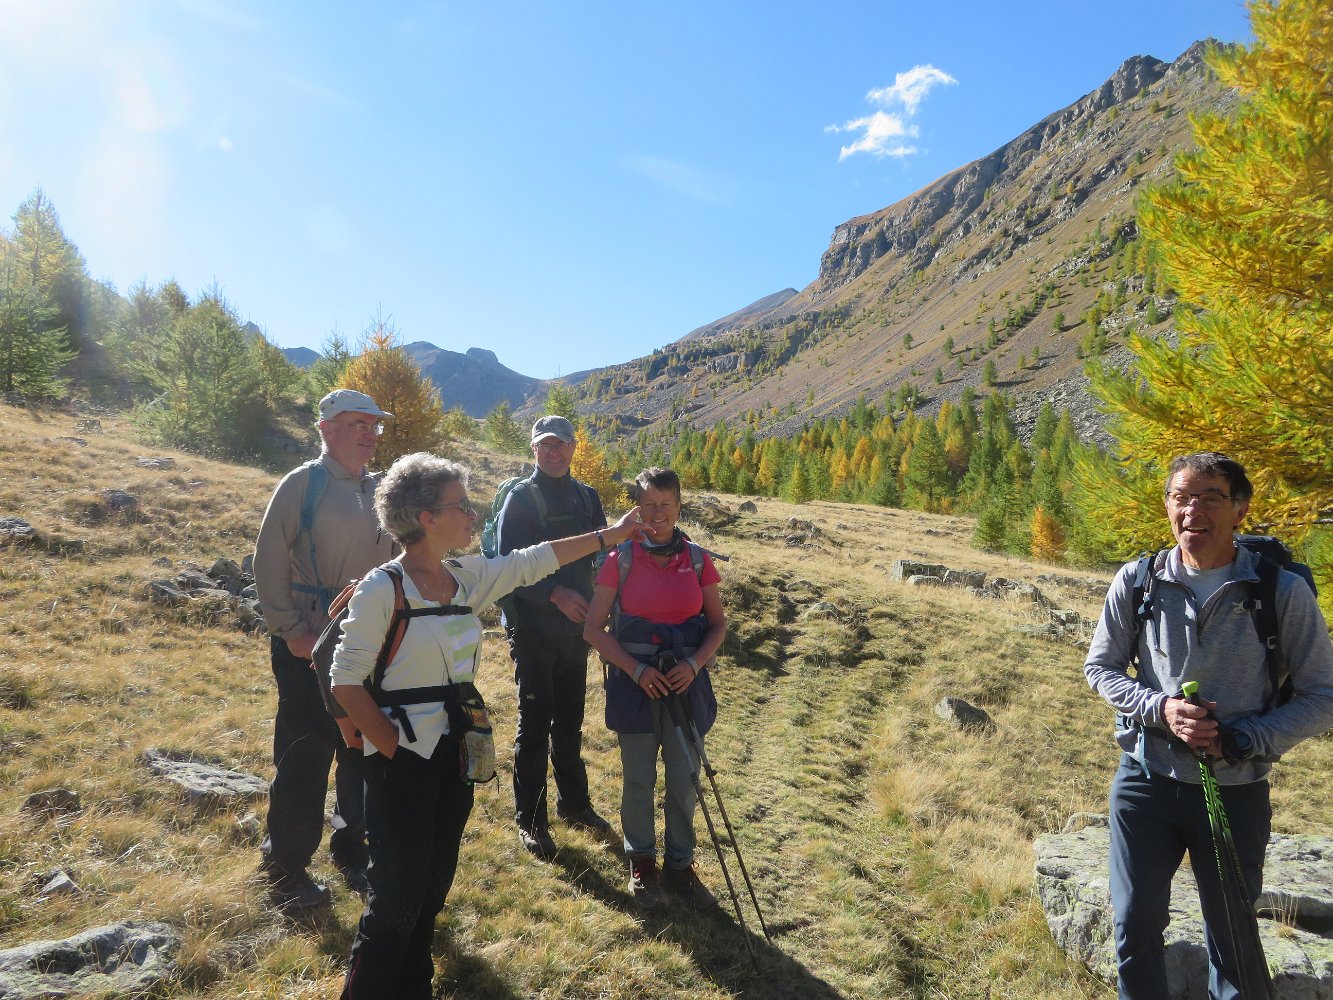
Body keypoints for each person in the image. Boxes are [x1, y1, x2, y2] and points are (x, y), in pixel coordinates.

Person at [330, 453, 644, 1000]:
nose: (473, 515)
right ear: (426, 517)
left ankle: (414, 988)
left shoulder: (464, 577)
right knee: (395, 899)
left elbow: (532, 561)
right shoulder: (385, 589)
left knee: (433, 887)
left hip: (458, 754)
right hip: (401, 762)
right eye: (461, 505)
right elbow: (345, 681)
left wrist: (609, 536)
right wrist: (394, 751)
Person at [1084, 452, 1333, 1000]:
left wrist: (1245, 739)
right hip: (1145, 782)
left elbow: (1323, 695)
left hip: (1234, 789)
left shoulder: (1279, 591)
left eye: (1211, 498)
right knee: (1133, 927)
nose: (1192, 510)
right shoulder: (1139, 580)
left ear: (1240, 510)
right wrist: (1159, 709)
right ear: (1167, 506)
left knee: (1234, 939)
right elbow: (1100, 668)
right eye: (1180, 497)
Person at [252, 389, 395, 909]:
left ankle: (352, 852)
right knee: (306, 754)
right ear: (326, 429)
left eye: (374, 425)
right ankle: (285, 870)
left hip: (368, 639)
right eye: (357, 423)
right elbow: (268, 559)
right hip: (310, 640)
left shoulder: (380, 488)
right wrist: (292, 631)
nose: (369, 433)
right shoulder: (302, 484)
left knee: (361, 751)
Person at [584, 467, 727, 911]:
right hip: (635, 687)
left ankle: (680, 865)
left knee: (685, 779)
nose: (657, 512)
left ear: (679, 507)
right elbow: (593, 629)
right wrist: (636, 671)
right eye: (648, 504)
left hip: (686, 684)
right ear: (637, 508)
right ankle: (642, 863)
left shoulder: (698, 560)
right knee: (639, 778)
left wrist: (693, 664)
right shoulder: (619, 559)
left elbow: (718, 625)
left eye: (666, 504)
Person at [497, 415, 614, 858]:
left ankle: (575, 804)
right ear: (533, 449)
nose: (553, 452)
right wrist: (554, 593)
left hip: (575, 630)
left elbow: (603, 556)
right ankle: (531, 820)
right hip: (532, 630)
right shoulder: (521, 499)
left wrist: (605, 605)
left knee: (569, 720)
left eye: (560, 444)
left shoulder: (587, 497)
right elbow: (507, 567)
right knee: (534, 723)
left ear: (573, 447)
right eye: (544, 445)